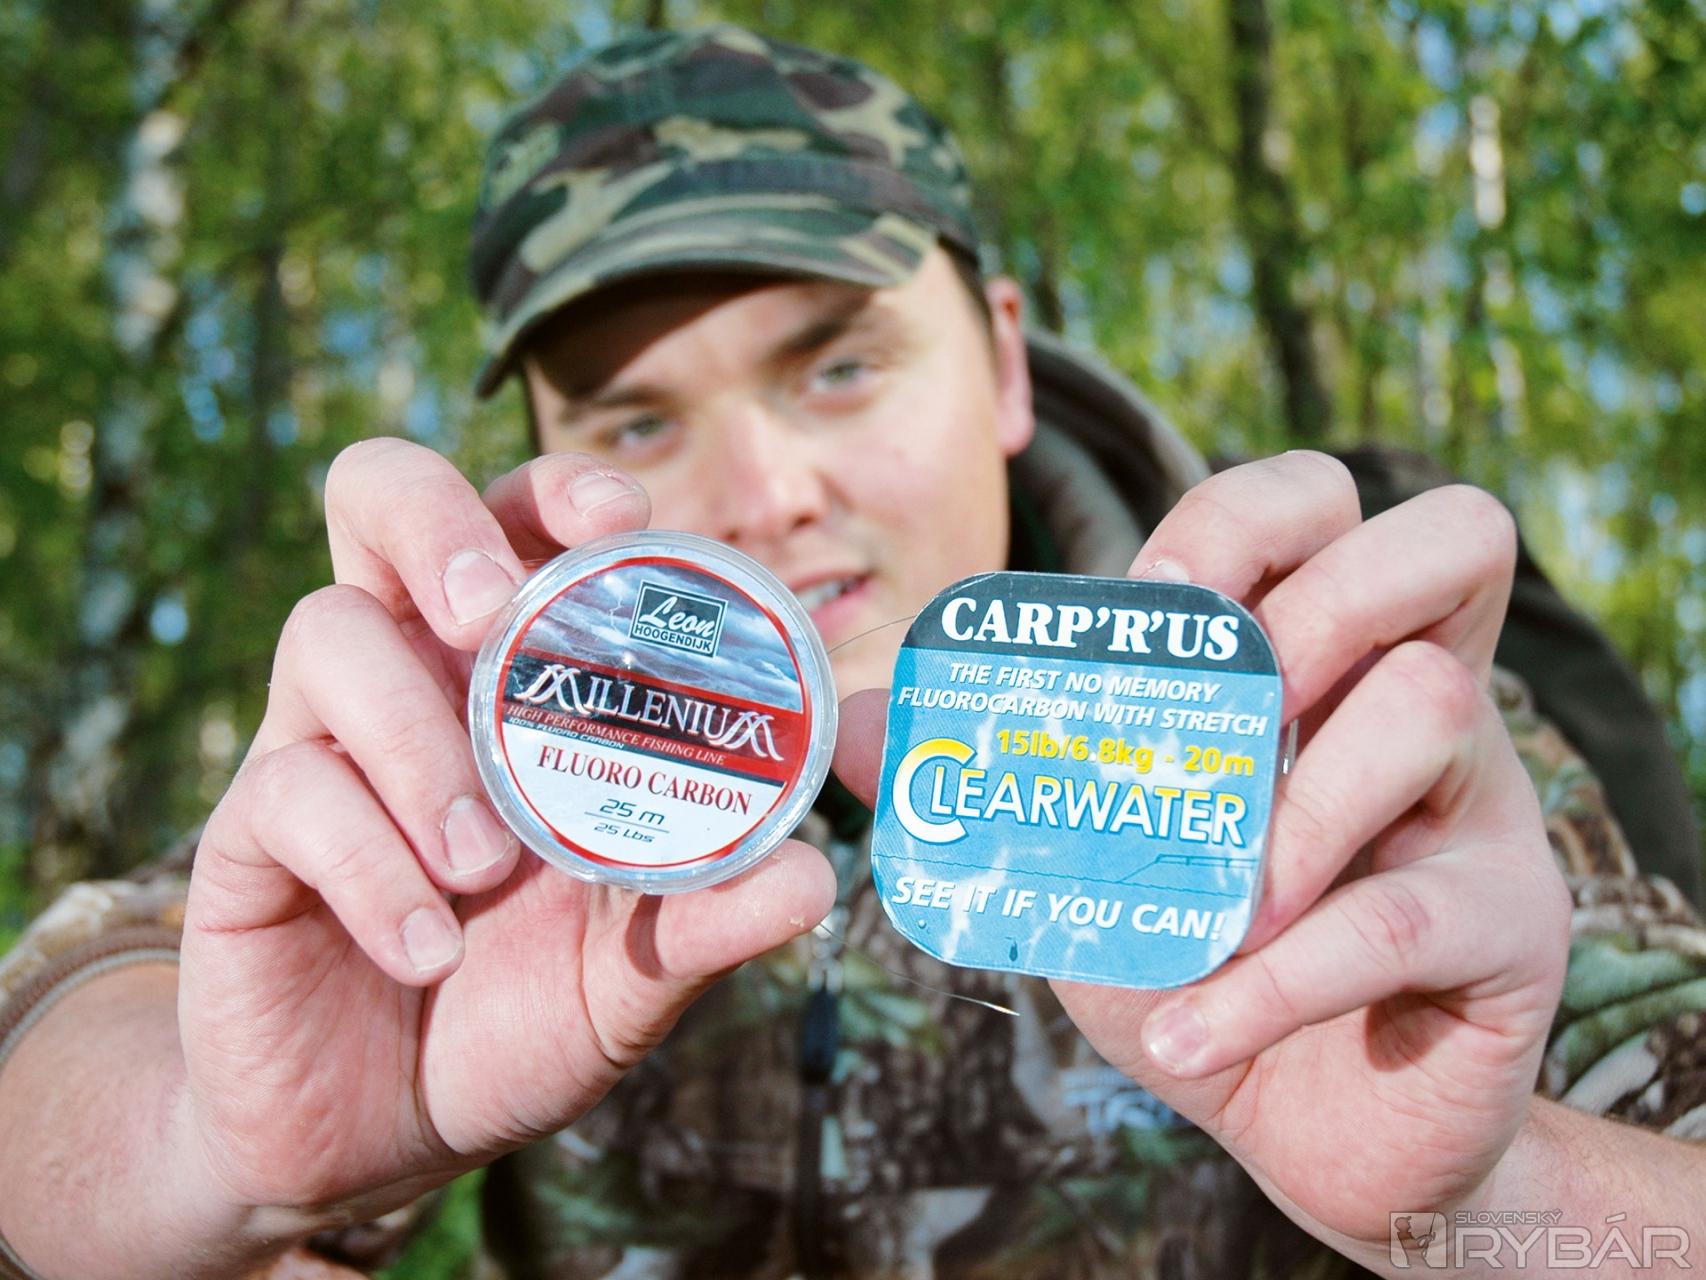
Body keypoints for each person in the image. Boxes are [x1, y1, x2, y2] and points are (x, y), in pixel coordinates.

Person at [2, 24, 1706, 1280]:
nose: (764, 496)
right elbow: (77, 1020)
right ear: (545, 448)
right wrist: (210, 1151)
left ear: (1004, 359)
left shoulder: (1309, 720)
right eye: (635, 419)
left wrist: (1487, 1202)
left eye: (836, 366)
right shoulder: (499, 753)